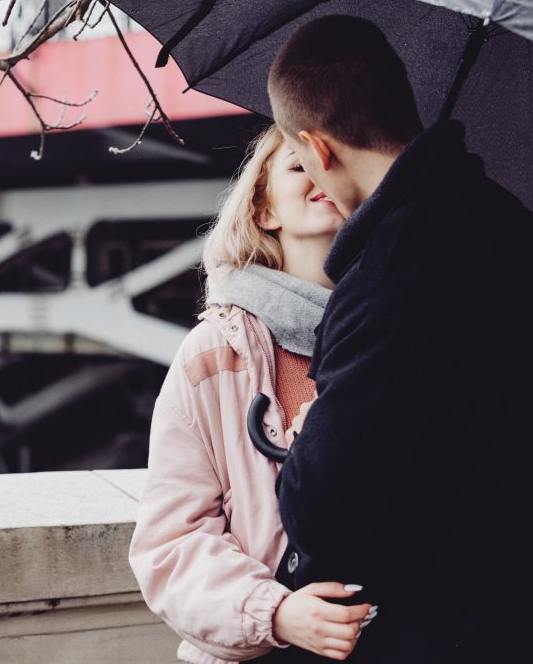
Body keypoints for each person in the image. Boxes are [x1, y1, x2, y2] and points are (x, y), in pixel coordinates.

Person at [264, 16, 533, 663]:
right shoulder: (522, 233)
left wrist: (306, 439)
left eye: (303, 161)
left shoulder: (385, 275)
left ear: (318, 147)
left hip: (433, 635)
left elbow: (323, 515)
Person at [129, 124, 375, 664]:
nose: (321, 173)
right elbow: (170, 544)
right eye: (298, 164)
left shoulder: (398, 343)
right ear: (265, 211)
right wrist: (276, 613)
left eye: (339, 164)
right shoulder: (211, 355)